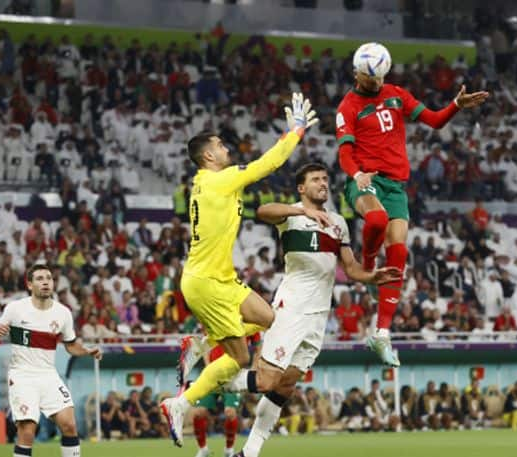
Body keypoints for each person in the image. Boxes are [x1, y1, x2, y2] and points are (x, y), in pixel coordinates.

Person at [184, 163, 399, 457]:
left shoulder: (338, 222)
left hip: (319, 315)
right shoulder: (291, 215)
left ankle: (249, 452)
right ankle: (200, 386)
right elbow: (262, 211)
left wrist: (371, 277)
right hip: (292, 307)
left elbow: (350, 268)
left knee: (285, 386)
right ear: (301, 188)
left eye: (325, 179)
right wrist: (301, 211)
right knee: (265, 380)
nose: (323, 184)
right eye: (315, 180)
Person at [160, 93, 318, 447]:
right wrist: (295, 131)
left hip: (221, 279)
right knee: (240, 358)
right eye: (219, 144)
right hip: (206, 282)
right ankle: (180, 402)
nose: (225, 147)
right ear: (208, 156)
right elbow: (268, 164)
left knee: (268, 319)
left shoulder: (205, 183)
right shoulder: (218, 179)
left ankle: (200, 345)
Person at [336, 42, 489, 366]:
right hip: (365, 180)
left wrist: (456, 105)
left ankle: (381, 335)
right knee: (376, 222)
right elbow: (345, 152)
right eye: (370, 78)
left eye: (380, 79)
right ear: (356, 74)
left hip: (395, 186)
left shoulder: (395, 93)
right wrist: (356, 173)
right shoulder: (348, 106)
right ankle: (366, 268)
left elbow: (434, 121)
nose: (376, 84)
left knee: (400, 251)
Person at [0, 264, 102, 457]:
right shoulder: (15, 309)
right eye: (39, 278)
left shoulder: (63, 313)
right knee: (27, 432)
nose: (46, 281)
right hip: (22, 376)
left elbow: (71, 345)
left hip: (48, 375)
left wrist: (88, 351)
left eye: (49, 278)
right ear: (29, 284)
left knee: (69, 424)